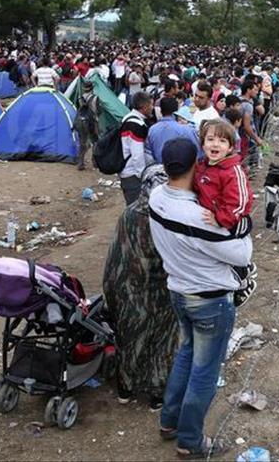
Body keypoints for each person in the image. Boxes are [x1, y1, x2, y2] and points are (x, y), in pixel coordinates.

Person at [149, 138, 252, 459]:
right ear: (196, 164)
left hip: (178, 291)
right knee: (205, 371)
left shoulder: (156, 197)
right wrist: (242, 222)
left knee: (186, 355)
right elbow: (243, 252)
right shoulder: (196, 216)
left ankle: (169, 422)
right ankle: (190, 440)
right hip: (209, 300)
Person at [102, 164, 179, 410]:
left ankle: (125, 388)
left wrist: (113, 292)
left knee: (129, 338)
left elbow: (115, 256)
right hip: (160, 292)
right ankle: (157, 394)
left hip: (127, 290)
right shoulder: (169, 217)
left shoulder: (129, 213)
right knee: (162, 340)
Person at [193, 119, 257, 307]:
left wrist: (221, 218)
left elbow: (240, 200)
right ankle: (243, 269)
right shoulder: (204, 166)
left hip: (234, 220)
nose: (215, 144)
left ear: (230, 147)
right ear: (203, 143)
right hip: (216, 217)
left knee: (228, 250)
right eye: (210, 139)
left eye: (222, 141)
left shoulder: (232, 170)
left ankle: (243, 280)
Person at [119, 92, 154, 205]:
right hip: (132, 174)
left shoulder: (127, 117)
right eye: (151, 105)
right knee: (136, 209)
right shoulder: (136, 125)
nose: (152, 108)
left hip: (127, 171)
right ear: (144, 107)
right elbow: (137, 155)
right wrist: (143, 175)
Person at [146, 97, 201, 163]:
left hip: (158, 168)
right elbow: (199, 153)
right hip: (181, 169)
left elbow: (148, 153)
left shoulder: (152, 130)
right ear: (176, 111)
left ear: (161, 111)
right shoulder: (186, 130)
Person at [73, 80, 99, 171]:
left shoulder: (79, 98)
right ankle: (95, 162)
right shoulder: (95, 98)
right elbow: (97, 112)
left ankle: (81, 163)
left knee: (82, 143)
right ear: (92, 89)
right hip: (91, 122)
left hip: (80, 121)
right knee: (95, 140)